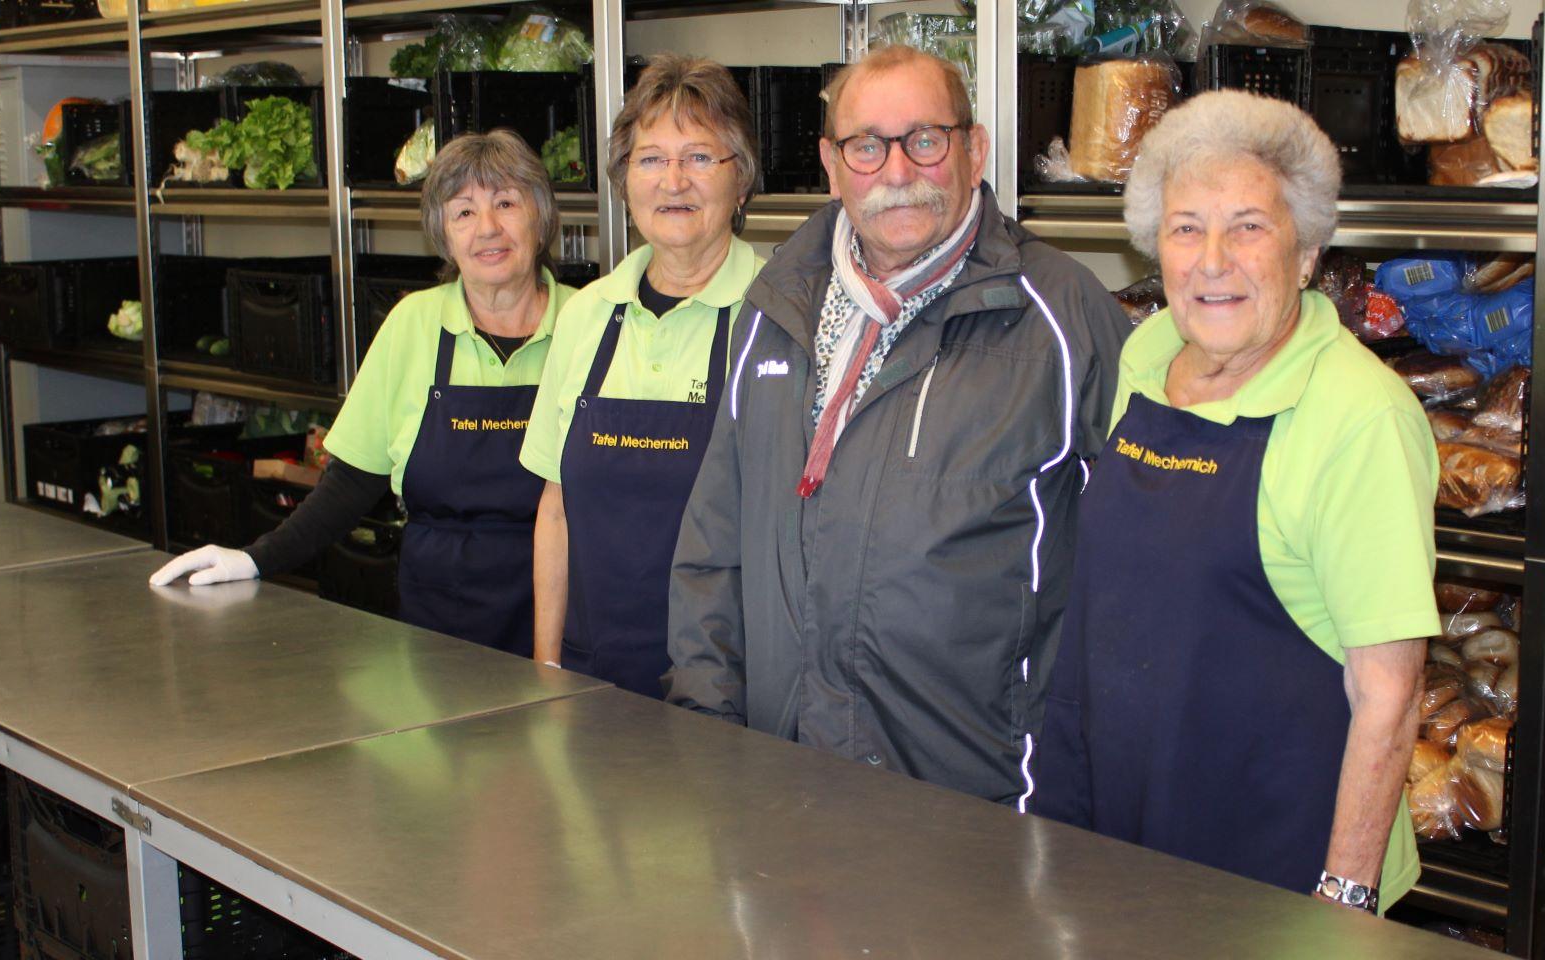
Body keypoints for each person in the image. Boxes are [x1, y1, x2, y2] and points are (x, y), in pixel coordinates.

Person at [664, 45, 1130, 804]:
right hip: (781, 781)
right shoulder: (775, 308)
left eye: (925, 139)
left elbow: (1133, 587)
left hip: (977, 805)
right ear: (831, 162)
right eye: (867, 146)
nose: (896, 170)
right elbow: (715, 545)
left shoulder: (1063, 321)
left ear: (974, 150)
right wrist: (707, 732)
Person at [1030, 91, 1435, 916]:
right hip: (1122, 826)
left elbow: (1388, 694)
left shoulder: (1360, 418)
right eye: (1186, 228)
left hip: (1274, 862)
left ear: (1309, 249)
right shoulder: (1148, 351)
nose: (1213, 259)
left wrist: (1343, 899)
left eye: (1248, 225)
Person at [150, 130, 576, 657]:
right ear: (441, 232)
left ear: (540, 216)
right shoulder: (413, 325)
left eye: (506, 203)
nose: (487, 228)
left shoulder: (589, 323)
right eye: (464, 211)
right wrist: (257, 558)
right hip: (439, 622)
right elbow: (352, 482)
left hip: (568, 617)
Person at [521, 55, 763, 698]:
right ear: (625, 182)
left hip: (730, 688)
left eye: (700, 157)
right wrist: (547, 671)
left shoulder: (780, 315)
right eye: (651, 158)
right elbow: (555, 510)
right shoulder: (585, 314)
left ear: (741, 181)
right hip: (589, 671)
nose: (673, 181)